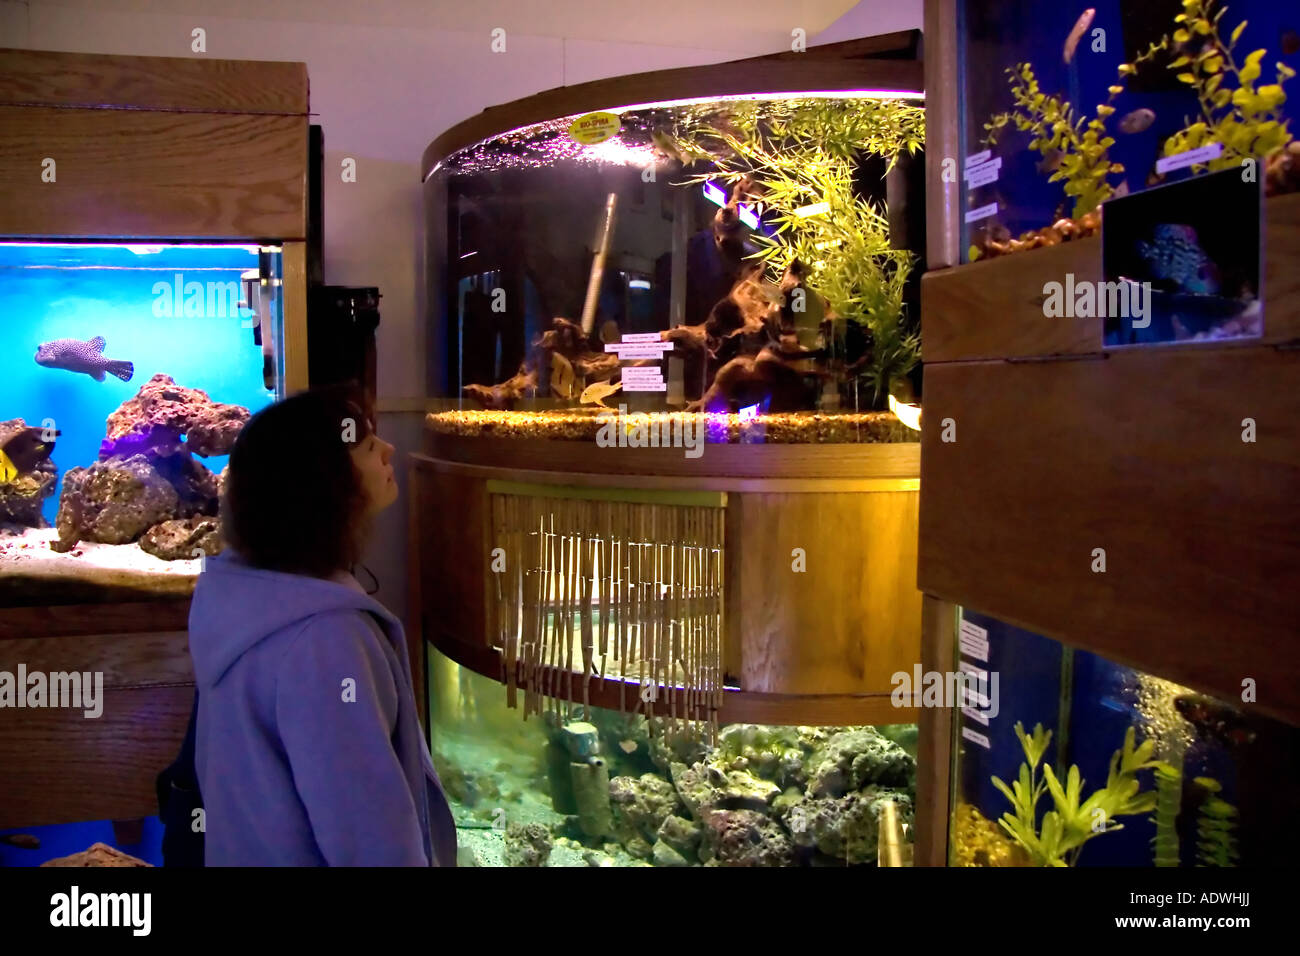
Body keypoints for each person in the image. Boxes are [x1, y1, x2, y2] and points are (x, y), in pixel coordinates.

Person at [188, 386, 457, 866]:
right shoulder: (325, 640)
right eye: (368, 444)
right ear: (323, 481)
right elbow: (370, 837)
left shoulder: (242, 595)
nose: (388, 448)